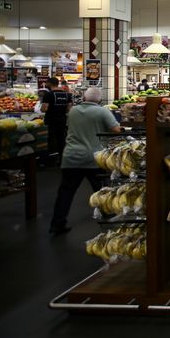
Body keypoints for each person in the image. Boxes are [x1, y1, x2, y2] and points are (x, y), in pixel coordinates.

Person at [50, 87, 121, 235]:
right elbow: (116, 130)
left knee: (65, 192)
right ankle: (108, 217)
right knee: (102, 190)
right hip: (94, 158)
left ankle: (57, 223)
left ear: (84, 97)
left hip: (71, 157)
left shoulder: (73, 111)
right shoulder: (102, 111)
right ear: (99, 99)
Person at [41, 77, 73, 166]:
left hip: (50, 121)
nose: (46, 85)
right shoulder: (67, 95)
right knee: (61, 139)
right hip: (62, 120)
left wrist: (41, 108)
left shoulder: (48, 94)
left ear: (50, 83)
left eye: (47, 83)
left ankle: (49, 160)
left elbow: (44, 109)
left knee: (50, 139)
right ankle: (62, 159)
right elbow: (69, 108)